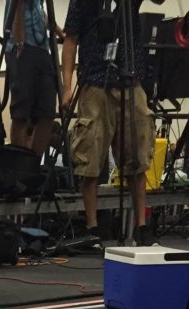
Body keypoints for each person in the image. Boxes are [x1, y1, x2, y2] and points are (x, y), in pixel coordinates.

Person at [61, 0, 155, 247]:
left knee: (138, 156)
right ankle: (92, 227)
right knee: (89, 157)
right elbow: (70, 39)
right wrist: (67, 86)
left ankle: (141, 226)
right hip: (94, 80)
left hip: (130, 81)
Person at [4, 0, 57, 157]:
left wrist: (58, 31)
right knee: (22, 113)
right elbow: (19, 6)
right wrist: (20, 42)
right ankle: (20, 168)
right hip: (23, 47)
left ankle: (33, 165)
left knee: (47, 112)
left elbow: (37, 11)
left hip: (41, 49)